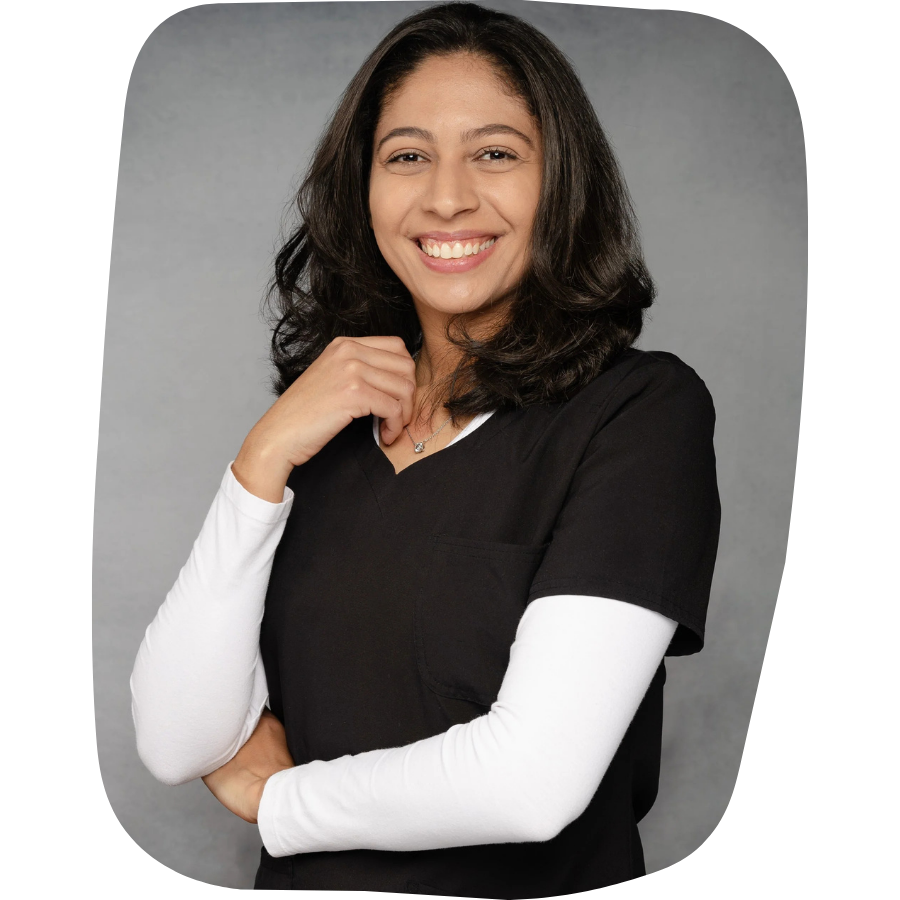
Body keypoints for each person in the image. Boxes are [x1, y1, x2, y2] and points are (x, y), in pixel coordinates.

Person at [129, 3, 721, 897]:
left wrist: (278, 801)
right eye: (407, 156)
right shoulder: (324, 433)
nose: (447, 197)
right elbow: (178, 741)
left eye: (496, 154)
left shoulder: (639, 414)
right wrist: (262, 456)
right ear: (362, 188)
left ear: (562, 182)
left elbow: (531, 782)